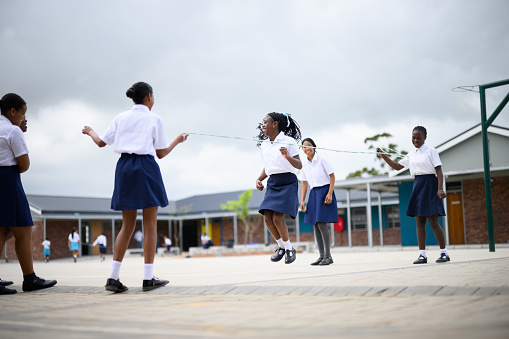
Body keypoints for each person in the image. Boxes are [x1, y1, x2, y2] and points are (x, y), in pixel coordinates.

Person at [82, 82, 188, 293]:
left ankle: (113, 277)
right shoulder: (155, 119)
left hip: (124, 167)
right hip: (146, 167)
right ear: (149, 96)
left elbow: (101, 142)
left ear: (133, 98)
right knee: (150, 226)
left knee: (127, 225)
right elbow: (161, 153)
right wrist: (178, 140)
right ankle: (148, 278)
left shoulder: (121, 117)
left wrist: (91, 131)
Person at [0, 93, 57, 295]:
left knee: (2, 229)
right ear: (12, 111)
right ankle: (30, 279)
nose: (24, 118)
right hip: (7, 180)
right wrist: (20, 132)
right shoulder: (13, 131)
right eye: (22, 114)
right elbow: (24, 165)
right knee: (23, 229)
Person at [377, 126, 450, 264]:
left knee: (434, 222)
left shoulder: (431, 151)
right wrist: (384, 156)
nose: (416, 140)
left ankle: (444, 253)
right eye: (413, 138)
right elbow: (397, 166)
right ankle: (422, 255)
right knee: (419, 222)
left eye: (419, 138)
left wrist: (440, 188)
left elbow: (439, 171)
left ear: (425, 138)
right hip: (418, 186)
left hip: (431, 185)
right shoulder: (411, 154)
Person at [256, 112, 302, 264]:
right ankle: (281, 247)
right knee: (267, 217)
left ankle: (289, 249)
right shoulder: (264, 145)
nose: (263, 125)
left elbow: (299, 165)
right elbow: (268, 166)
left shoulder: (288, 141)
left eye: (265, 122)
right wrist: (259, 179)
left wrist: (287, 156)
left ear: (275, 124)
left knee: (277, 218)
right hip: (273, 182)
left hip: (288, 181)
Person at [299, 138, 338, 266]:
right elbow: (304, 182)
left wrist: (330, 193)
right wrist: (302, 200)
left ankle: (328, 256)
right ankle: (321, 256)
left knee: (322, 224)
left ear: (314, 147)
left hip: (325, 191)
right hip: (314, 193)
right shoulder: (304, 164)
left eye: (309, 146)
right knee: (315, 224)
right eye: (304, 147)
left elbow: (332, 176)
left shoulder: (322, 159)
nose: (306, 149)